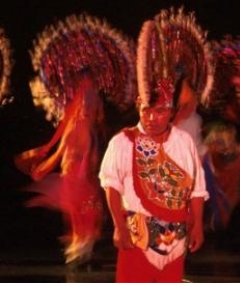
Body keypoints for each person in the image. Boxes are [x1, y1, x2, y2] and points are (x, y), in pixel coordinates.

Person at [99, 77, 208, 282]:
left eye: (159, 111)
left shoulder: (183, 141)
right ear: (138, 107)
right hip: (138, 238)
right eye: (146, 110)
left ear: (171, 112)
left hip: (176, 239)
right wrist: (119, 226)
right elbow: (111, 186)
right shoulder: (122, 142)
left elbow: (197, 189)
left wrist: (198, 225)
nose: (152, 118)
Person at [15, 73, 104, 264]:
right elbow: (66, 124)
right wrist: (49, 149)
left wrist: (88, 157)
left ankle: (83, 240)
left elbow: (92, 122)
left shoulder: (89, 100)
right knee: (70, 195)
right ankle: (79, 240)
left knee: (79, 195)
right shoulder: (75, 105)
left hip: (82, 145)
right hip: (74, 146)